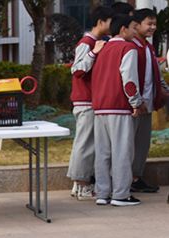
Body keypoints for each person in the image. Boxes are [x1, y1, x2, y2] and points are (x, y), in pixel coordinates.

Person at [92, 14, 143, 206]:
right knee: (122, 151)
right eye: (133, 27)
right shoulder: (128, 48)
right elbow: (129, 79)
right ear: (123, 29)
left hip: (100, 106)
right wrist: (135, 102)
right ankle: (121, 194)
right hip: (119, 106)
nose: (135, 31)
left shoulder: (103, 48)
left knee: (102, 153)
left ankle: (102, 192)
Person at [67, 6, 112, 201]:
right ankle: (82, 184)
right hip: (85, 101)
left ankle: (79, 184)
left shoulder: (96, 42)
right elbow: (77, 70)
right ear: (101, 22)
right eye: (110, 22)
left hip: (91, 100)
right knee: (85, 144)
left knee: (87, 143)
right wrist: (94, 52)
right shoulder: (87, 43)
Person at [130, 8, 166, 193]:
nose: (152, 27)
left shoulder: (148, 47)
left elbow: (156, 76)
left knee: (142, 144)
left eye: (154, 24)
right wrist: (136, 101)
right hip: (134, 106)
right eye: (149, 24)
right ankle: (125, 180)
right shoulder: (130, 47)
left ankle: (136, 177)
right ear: (136, 25)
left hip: (148, 103)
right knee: (130, 144)